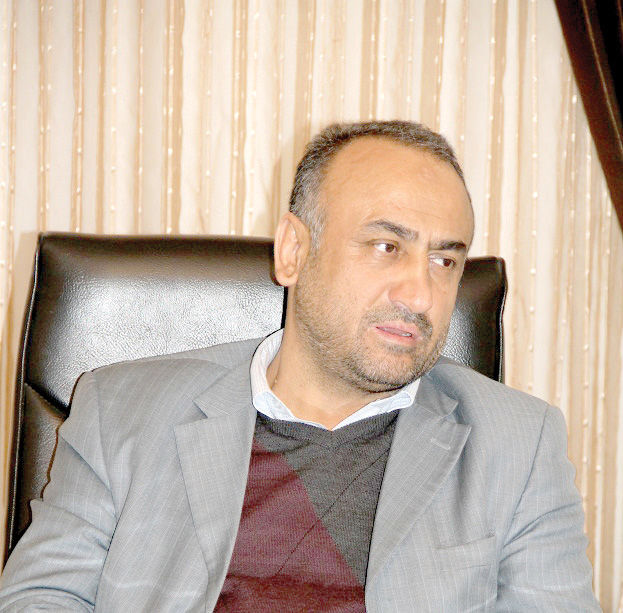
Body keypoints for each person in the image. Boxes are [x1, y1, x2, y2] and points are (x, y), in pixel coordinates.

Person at [0, 121, 599, 611]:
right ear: (293, 250)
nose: (421, 295)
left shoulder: (518, 446)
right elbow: (41, 599)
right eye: (386, 246)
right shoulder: (122, 411)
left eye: (445, 261)